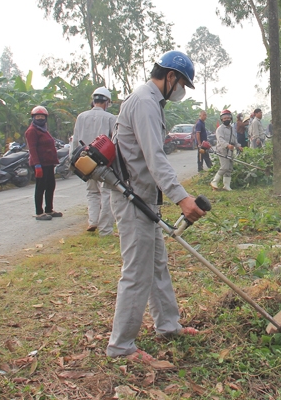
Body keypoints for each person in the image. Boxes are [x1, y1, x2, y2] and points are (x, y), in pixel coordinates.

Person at [106, 50, 206, 362]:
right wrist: (182, 197)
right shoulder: (145, 102)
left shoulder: (150, 101)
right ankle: (121, 347)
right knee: (137, 272)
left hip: (144, 198)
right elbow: (155, 158)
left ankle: (167, 325)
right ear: (171, 76)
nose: (180, 91)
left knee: (156, 265)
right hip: (131, 198)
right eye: (182, 84)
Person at [72, 87, 118, 236]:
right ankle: (105, 229)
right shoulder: (111, 118)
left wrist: (73, 161)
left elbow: (75, 140)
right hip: (103, 161)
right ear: (106, 102)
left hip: (85, 159)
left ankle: (93, 221)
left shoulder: (81, 117)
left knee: (92, 192)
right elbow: (115, 140)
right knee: (106, 193)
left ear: (94, 101)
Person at [25, 105, 62, 221]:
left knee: (50, 186)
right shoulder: (32, 131)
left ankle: (49, 209)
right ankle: (39, 212)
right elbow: (32, 149)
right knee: (40, 187)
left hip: (48, 163)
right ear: (33, 118)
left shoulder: (44, 130)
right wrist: (37, 165)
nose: (40, 118)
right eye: (37, 116)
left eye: (42, 116)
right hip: (39, 164)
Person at [210, 109, 240, 191]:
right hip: (222, 150)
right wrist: (227, 145)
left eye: (228, 118)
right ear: (222, 119)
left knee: (229, 168)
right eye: (224, 118)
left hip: (230, 150)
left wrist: (238, 146)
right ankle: (214, 181)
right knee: (224, 166)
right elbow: (221, 140)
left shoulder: (232, 129)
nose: (226, 119)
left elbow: (234, 140)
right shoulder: (220, 129)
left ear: (231, 118)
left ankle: (226, 185)